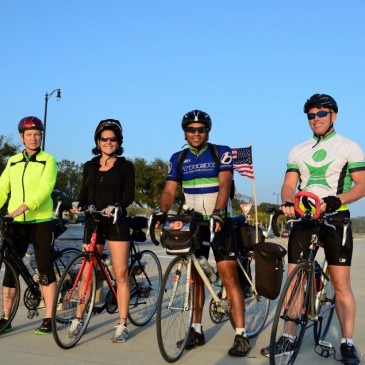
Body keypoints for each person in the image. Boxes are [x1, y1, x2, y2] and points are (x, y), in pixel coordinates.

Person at [260, 94, 365, 364]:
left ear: (334, 116)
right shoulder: (298, 149)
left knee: (341, 284)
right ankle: (288, 335)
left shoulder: (349, 146)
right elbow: (289, 182)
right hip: (305, 219)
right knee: (294, 278)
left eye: (321, 113)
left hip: (335, 218)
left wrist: (338, 199)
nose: (315, 119)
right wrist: (286, 201)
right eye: (311, 115)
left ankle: (347, 342)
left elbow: (361, 186)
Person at [153, 110, 250, 357]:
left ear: (208, 131)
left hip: (220, 220)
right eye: (191, 129)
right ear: (184, 132)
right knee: (195, 277)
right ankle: (196, 330)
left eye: (201, 129)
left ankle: (241, 335)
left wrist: (218, 212)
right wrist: (162, 211)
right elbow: (169, 189)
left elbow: (225, 184)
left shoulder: (220, 151)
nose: (196, 134)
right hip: (193, 223)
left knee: (228, 276)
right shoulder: (178, 157)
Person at [69, 119, 135, 343]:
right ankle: (78, 317)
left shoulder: (126, 166)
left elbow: (129, 196)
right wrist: (78, 204)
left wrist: (117, 207)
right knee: (87, 271)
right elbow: (83, 193)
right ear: (98, 141)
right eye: (104, 139)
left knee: (121, 273)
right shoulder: (89, 165)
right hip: (93, 221)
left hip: (115, 221)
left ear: (119, 142)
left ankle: (122, 323)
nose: (108, 142)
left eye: (113, 139)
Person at [0, 116, 58, 334]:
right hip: (16, 221)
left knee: (44, 269)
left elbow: (45, 189)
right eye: (29, 134)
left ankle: (49, 318)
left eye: (37, 134)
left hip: (41, 220)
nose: (34, 138)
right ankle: (6, 317)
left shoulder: (48, 160)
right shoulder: (13, 161)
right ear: (21, 137)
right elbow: (2, 186)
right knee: (10, 270)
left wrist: (24, 207)